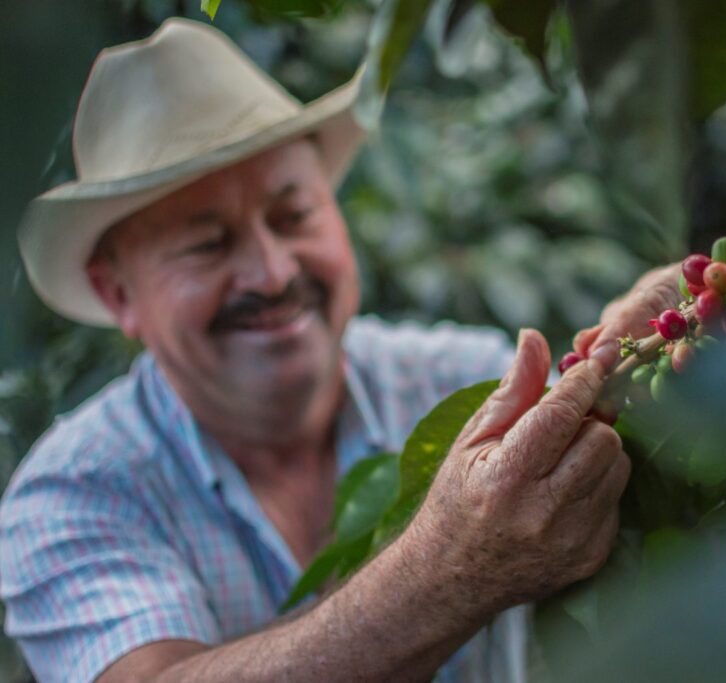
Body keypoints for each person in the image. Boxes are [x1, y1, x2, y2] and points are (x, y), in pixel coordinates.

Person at [0, 18, 681, 683]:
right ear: (118, 294)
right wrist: (451, 567)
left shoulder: (457, 378)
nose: (271, 272)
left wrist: (626, 356)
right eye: (207, 244)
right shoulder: (75, 493)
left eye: (293, 216)